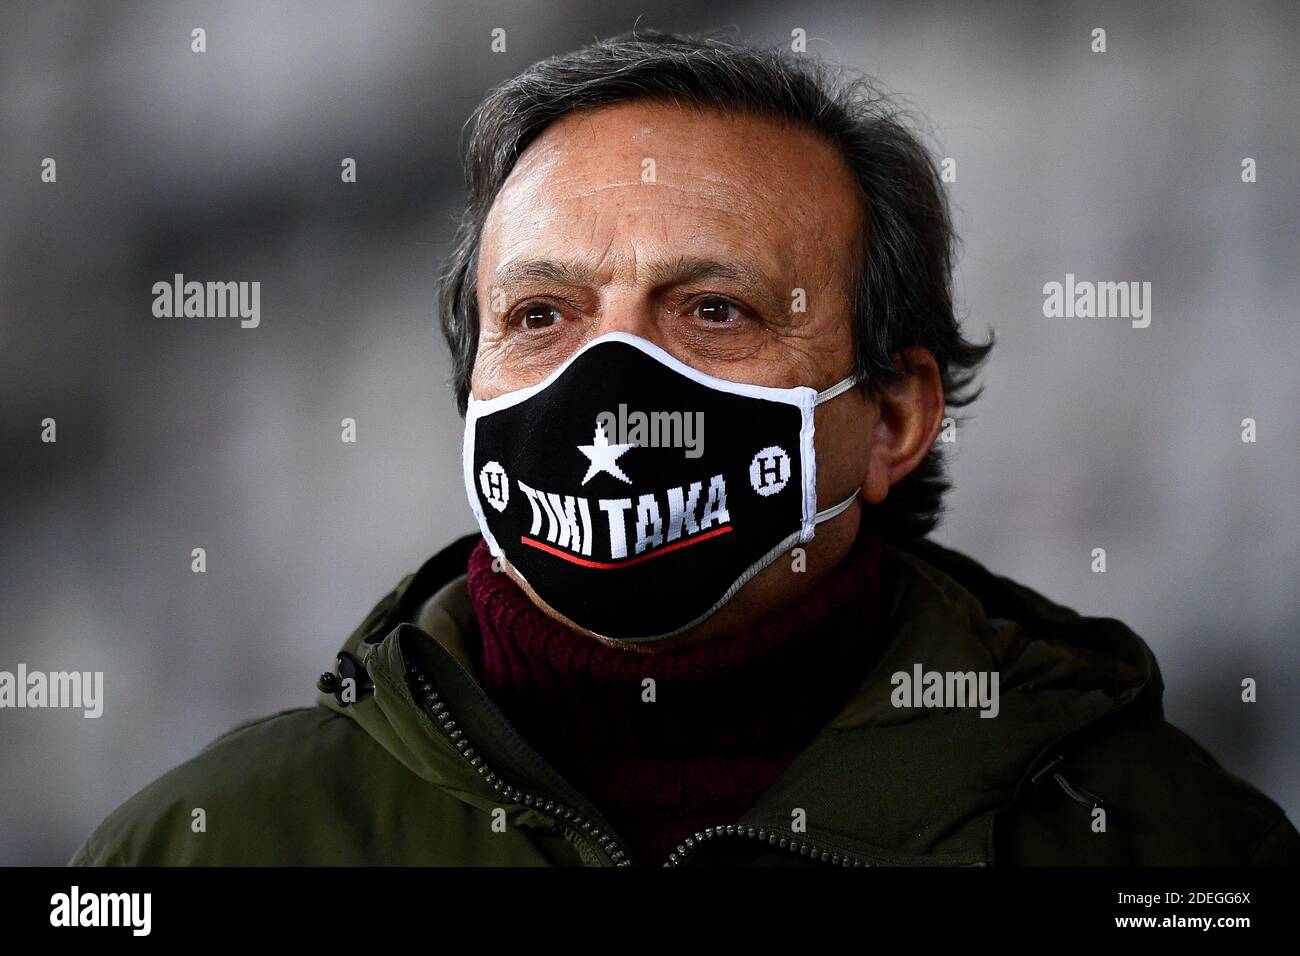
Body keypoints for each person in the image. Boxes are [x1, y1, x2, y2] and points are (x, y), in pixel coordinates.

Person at [71, 30, 1299, 867]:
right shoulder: (215, 842)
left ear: (895, 416)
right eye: (540, 317)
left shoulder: (1159, 844)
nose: (612, 395)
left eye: (713, 310)